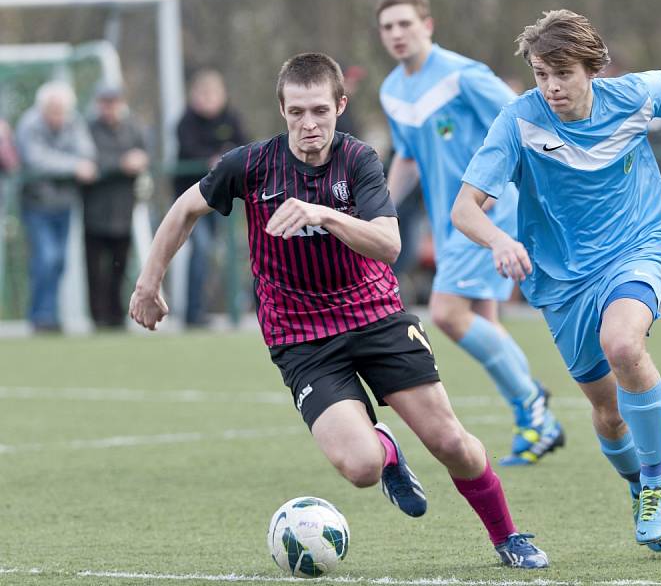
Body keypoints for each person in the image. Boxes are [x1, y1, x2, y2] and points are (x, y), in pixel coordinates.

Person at [129, 52, 549, 569]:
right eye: (298, 112)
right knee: (361, 467)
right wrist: (150, 282)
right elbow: (184, 208)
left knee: (450, 442)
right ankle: (388, 452)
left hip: (375, 316)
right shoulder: (252, 164)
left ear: (340, 106)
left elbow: (388, 244)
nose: (310, 124)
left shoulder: (359, 161)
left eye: (321, 111)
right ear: (282, 110)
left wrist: (323, 213)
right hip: (302, 338)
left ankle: (508, 537)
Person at [452, 10, 661, 553]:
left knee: (622, 343)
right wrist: (500, 240)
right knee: (607, 412)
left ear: (591, 69)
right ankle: (637, 484)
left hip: (637, 246)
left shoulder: (635, 95)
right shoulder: (519, 120)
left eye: (563, 73)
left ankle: (656, 484)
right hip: (562, 280)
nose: (551, 86)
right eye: (541, 74)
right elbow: (466, 209)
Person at [376, 0, 563, 466]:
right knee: (483, 321)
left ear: (427, 25)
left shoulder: (463, 76)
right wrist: (379, 209)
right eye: (388, 27)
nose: (397, 34)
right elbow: (409, 158)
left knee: (446, 313)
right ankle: (535, 423)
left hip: (487, 211)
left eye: (405, 24)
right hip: (448, 218)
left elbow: (524, 117)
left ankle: (533, 404)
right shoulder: (393, 90)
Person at [16, 81, 97, 332]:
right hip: (36, 204)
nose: (58, 116)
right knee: (46, 257)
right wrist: (72, 167)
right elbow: (37, 159)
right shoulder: (29, 125)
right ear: (43, 108)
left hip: (64, 203)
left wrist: (72, 163)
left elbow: (87, 152)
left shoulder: (74, 122)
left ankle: (49, 313)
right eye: (53, 110)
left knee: (60, 260)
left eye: (61, 111)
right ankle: (41, 315)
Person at [175, 69, 247, 326]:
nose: (208, 100)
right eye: (203, 94)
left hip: (220, 201)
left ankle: (225, 308)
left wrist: (227, 156)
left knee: (220, 252)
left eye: (213, 94)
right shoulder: (186, 121)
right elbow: (190, 150)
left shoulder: (231, 117)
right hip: (192, 201)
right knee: (201, 248)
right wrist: (213, 159)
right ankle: (192, 312)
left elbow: (244, 145)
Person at [84, 85, 149, 328]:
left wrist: (141, 159)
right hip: (94, 209)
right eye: (105, 102)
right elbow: (91, 161)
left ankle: (116, 314)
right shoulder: (89, 129)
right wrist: (122, 164)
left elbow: (144, 153)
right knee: (95, 268)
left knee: (119, 265)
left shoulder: (133, 127)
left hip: (124, 208)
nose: (109, 108)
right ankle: (98, 316)